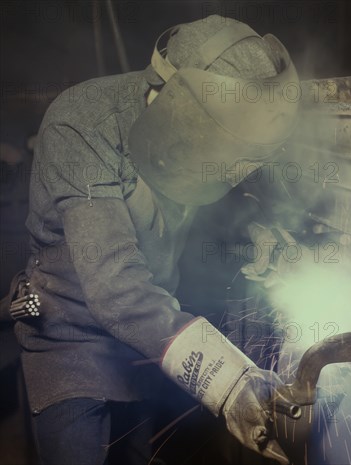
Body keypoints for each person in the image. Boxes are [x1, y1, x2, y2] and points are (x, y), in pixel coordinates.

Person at [14, 14, 299, 465]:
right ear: (171, 101)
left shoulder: (196, 129)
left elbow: (205, 191)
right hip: (72, 338)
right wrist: (226, 381)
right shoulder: (82, 125)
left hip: (148, 336)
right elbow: (115, 286)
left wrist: (251, 230)